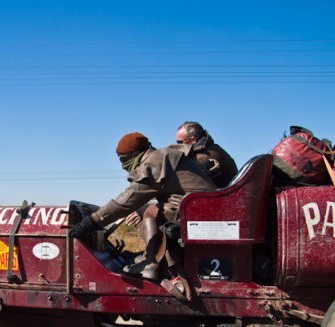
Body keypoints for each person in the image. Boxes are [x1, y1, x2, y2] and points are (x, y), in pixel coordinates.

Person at [68, 132, 216, 283]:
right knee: (151, 208)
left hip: (194, 212)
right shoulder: (166, 155)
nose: (123, 166)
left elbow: (127, 200)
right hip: (204, 209)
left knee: (150, 211)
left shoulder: (155, 162)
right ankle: (152, 258)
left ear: (133, 155)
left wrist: (92, 222)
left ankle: (151, 264)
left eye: (123, 160)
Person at [175, 121, 237, 188]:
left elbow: (190, 181)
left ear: (193, 139)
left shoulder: (205, 156)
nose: (178, 146)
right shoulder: (213, 149)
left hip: (221, 196)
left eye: (180, 142)